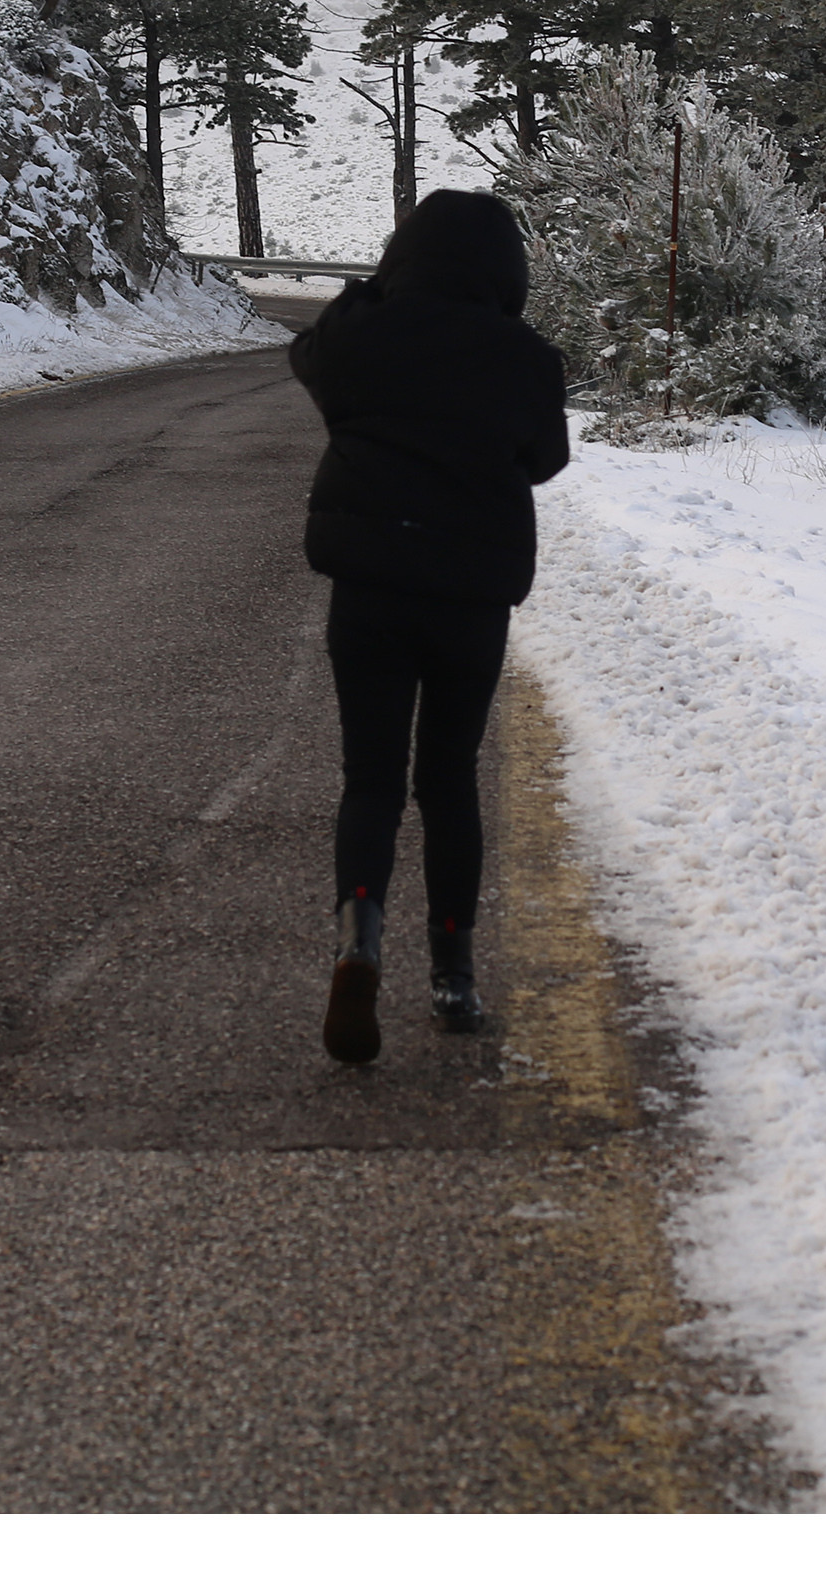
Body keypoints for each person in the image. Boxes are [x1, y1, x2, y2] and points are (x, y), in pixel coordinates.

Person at [286, 187, 571, 1065]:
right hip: (467, 598)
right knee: (446, 781)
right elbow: (545, 458)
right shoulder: (524, 356)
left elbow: (309, 353)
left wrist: (373, 292)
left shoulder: (359, 338)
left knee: (369, 777)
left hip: (369, 591)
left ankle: (358, 941)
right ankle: (452, 974)